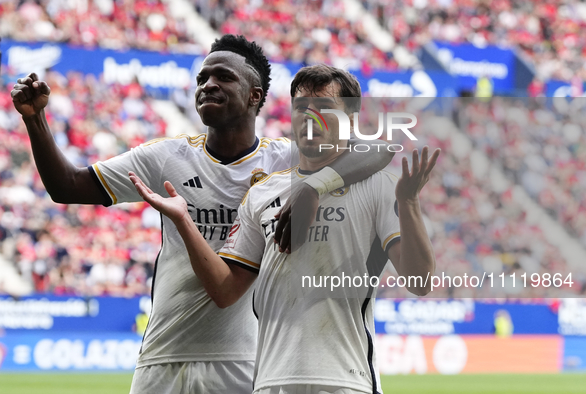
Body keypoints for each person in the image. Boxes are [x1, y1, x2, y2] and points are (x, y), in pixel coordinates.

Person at [11, 36, 395, 393]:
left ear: (254, 96)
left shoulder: (285, 159)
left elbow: (381, 150)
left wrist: (314, 185)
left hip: (245, 360)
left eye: (223, 76)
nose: (207, 84)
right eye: (202, 77)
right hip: (162, 356)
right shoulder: (165, 157)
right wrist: (35, 120)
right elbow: (66, 186)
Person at [130, 64, 439, 394]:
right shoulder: (262, 193)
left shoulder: (377, 187)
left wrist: (408, 203)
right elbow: (225, 291)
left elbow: (420, 282)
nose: (310, 117)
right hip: (269, 384)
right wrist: (183, 220)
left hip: (346, 382)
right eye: (301, 108)